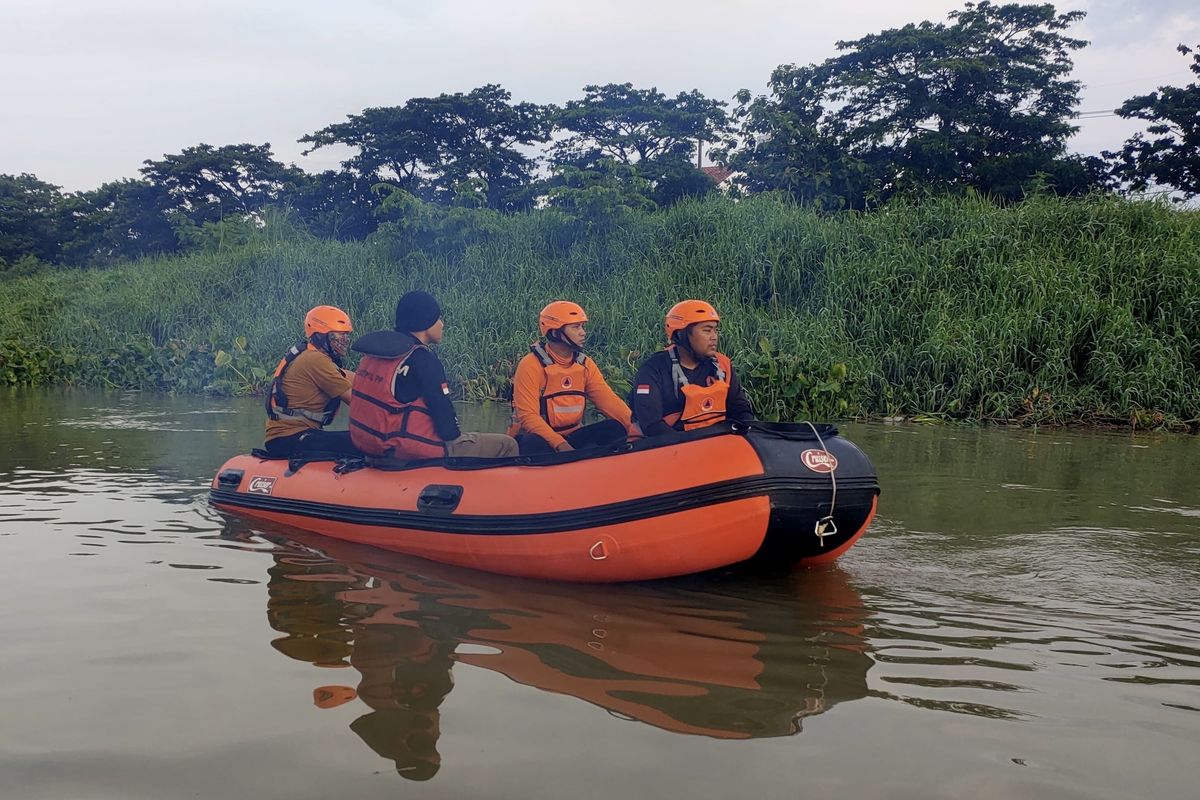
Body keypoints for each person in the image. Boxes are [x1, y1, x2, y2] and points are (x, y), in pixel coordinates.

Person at [349, 290, 518, 460]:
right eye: (438, 318)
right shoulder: (423, 359)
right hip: (409, 450)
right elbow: (448, 430)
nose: (442, 324)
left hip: (368, 445)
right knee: (507, 444)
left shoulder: (373, 354)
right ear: (426, 323)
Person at [508, 301, 633, 455]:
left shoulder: (585, 364)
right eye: (575, 327)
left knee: (615, 428)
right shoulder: (530, 365)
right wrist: (560, 445)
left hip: (570, 438)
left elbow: (609, 401)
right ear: (555, 333)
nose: (583, 332)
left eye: (582, 326)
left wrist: (635, 429)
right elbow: (528, 417)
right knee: (532, 443)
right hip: (539, 440)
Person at [629, 300, 754, 437]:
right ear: (682, 334)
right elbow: (652, 425)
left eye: (715, 330)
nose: (714, 337)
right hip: (670, 449)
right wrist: (692, 449)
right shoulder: (653, 370)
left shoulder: (723, 364)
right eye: (706, 330)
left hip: (718, 444)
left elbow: (740, 409)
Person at [263, 305, 361, 457]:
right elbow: (359, 404)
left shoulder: (313, 357)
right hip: (290, 438)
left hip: (293, 436)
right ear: (321, 336)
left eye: (346, 336)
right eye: (338, 336)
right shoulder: (315, 360)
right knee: (365, 442)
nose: (344, 341)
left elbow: (353, 378)